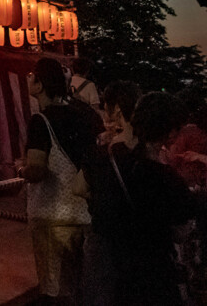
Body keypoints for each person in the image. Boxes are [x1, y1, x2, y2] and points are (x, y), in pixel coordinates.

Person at [74, 92, 195, 306]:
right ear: (170, 134)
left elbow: (80, 189)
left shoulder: (102, 158)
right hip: (153, 277)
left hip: (110, 274)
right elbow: (180, 232)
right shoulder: (167, 179)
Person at [19, 58, 100, 305]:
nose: (28, 80)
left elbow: (38, 170)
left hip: (52, 219)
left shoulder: (40, 121)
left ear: (40, 85)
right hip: (86, 213)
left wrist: (21, 170)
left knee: (57, 291)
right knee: (83, 286)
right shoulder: (84, 114)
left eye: (32, 76)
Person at [74, 80, 141, 306]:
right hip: (141, 239)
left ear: (117, 110)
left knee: (101, 294)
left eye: (105, 106)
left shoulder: (103, 151)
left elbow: (78, 188)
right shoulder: (150, 149)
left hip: (104, 236)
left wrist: (103, 197)